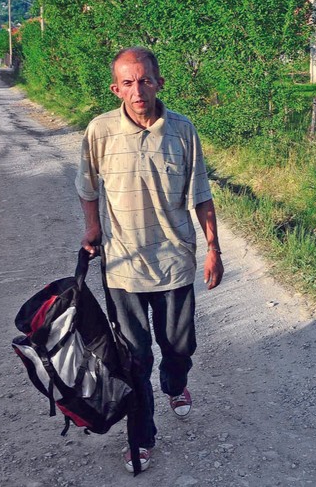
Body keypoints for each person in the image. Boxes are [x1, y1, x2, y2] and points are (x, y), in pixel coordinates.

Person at [76, 46, 224, 473]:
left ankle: (175, 383)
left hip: (175, 261)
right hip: (123, 265)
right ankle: (141, 437)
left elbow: (201, 195)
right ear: (116, 89)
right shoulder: (100, 131)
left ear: (159, 82)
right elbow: (87, 187)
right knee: (134, 358)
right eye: (128, 82)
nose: (137, 90)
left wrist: (213, 249)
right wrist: (93, 229)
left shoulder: (183, 130)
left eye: (144, 81)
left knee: (179, 347)